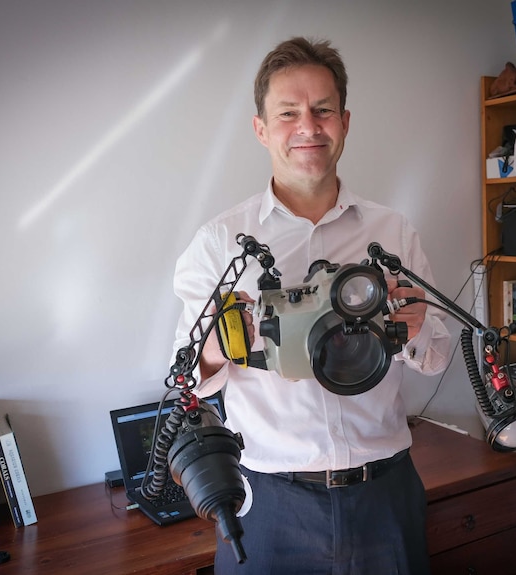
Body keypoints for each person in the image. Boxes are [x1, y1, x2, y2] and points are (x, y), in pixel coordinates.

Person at [171, 36, 451, 575]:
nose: (308, 126)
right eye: (288, 113)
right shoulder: (220, 243)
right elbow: (187, 380)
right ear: (261, 129)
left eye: (323, 110)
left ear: (344, 122)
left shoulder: (391, 232)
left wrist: (414, 327)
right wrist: (219, 344)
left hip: (384, 493)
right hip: (269, 503)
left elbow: (436, 356)